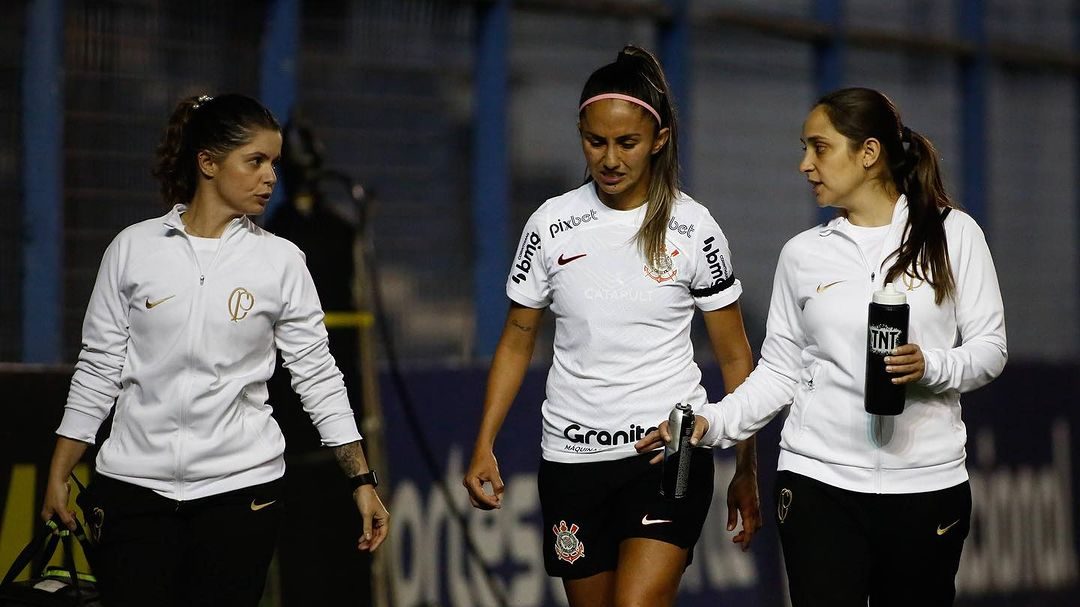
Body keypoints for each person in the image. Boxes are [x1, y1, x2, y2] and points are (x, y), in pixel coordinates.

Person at [636, 87, 1008, 606]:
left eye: (820, 147)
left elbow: (990, 349)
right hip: (817, 482)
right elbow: (779, 371)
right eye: (804, 149)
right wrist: (712, 423)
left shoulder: (954, 234)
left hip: (927, 486)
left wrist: (932, 365)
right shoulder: (802, 255)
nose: (805, 164)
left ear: (869, 153)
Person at [40, 93, 390, 607]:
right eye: (255, 162)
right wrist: (60, 468)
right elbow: (98, 369)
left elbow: (318, 375)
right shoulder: (132, 249)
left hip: (241, 493)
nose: (271, 176)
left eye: (273, 162)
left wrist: (361, 479)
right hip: (132, 492)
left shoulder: (283, 261)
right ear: (208, 163)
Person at [462, 46, 762, 607]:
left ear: (660, 140)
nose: (610, 158)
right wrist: (484, 443)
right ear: (580, 133)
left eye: (627, 143)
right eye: (595, 141)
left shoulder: (694, 228)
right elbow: (517, 338)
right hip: (572, 462)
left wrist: (746, 466)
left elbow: (736, 356)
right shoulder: (550, 226)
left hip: (667, 457)